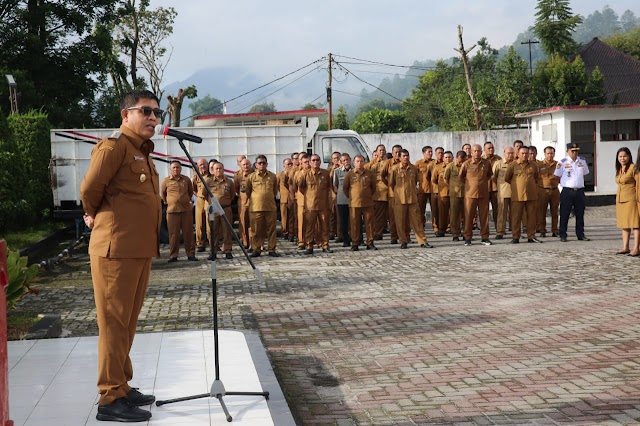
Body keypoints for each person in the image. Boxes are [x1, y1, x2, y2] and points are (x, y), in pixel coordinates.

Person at [80, 90, 161, 422]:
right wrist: (93, 215)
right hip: (115, 250)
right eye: (146, 111)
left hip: (138, 249)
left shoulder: (140, 151)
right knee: (113, 325)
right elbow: (89, 189)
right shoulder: (113, 147)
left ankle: (122, 386)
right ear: (126, 115)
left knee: (126, 324)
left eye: (158, 113)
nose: (154, 118)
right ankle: (109, 397)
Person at [388, 149, 433, 249]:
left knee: (417, 221)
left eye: (407, 155)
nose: (406, 158)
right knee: (400, 222)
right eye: (403, 156)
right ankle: (403, 241)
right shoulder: (395, 169)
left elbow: (417, 182)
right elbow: (391, 184)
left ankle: (423, 241)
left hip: (412, 199)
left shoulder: (413, 168)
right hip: (400, 200)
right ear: (399, 158)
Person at [161, 161, 197, 263]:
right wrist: (169, 202)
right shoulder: (166, 181)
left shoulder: (186, 179)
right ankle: (173, 255)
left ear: (181, 169)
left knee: (188, 233)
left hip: (186, 210)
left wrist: (186, 201)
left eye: (177, 167)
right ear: (170, 169)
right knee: (173, 234)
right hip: (172, 211)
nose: (176, 169)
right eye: (174, 168)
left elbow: (190, 192)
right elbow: (163, 194)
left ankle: (190, 254)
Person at [245, 155, 281, 257]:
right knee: (256, 230)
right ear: (256, 165)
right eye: (259, 163)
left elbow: (274, 191)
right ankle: (256, 249)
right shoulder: (251, 177)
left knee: (271, 230)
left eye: (264, 163)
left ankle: (271, 249)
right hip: (256, 208)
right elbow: (248, 191)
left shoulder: (273, 176)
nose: (262, 165)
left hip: (270, 207)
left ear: (267, 164)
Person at [554, 143, 590, 242]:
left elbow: (585, 173)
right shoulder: (562, 162)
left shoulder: (582, 161)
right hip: (567, 191)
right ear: (568, 151)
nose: (574, 153)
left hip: (579, 191)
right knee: (565, 213)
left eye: (576, 151)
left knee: (580, 214)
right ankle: (563, 234)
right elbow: (557, 176)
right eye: (572, 151)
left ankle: (580, 234)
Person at [505, 146, 541, 244]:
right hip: (518, 195)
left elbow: (536, 178)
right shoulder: (513, 165)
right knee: (516, 217)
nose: (525, 155)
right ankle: (516, 236)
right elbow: (507, 178)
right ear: (518, 154)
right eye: (522, 153)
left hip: (531, 195)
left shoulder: (533, 165)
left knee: (532, 217)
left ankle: (531, 236)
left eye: (526, 153)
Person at [459, 144, 493, 246]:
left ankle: (485, 237)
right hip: (470, 195)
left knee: (484, 217)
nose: (477, 153)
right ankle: (468, 238)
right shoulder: (466, 164)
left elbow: (489, 175)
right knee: (468, 217)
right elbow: (461, 177)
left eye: (479, 151)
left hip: (483, 194)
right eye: (475, 151)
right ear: (471, 152)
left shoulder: (486, 163)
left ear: (482, 152)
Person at [298, 154, 333, 254]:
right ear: (310, 162)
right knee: (310, 226)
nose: (315, 162)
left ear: (320, 161)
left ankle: (325, 245)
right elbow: (301, 188)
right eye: (313, 160)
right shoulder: (306, 174)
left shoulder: (325, 174)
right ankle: (309, 246)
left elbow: (329, 187)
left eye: (317, 160)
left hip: (323, 205)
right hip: (310, 205)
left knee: (325, 226)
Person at [343, 154, 377, 250]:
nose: (359, 163)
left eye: (361, 161)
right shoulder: (350, 174)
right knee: (354, 223)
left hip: (368, 203)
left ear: (364, 162)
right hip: (354, 203)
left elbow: (373, 187)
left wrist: (368, 195)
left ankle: (370, 242)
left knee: (369, 223)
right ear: (354, 163)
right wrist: (352, 197)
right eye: (357, 161)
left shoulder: (369, 174)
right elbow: (345, 188)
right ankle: (355, 243)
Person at [208, 162, 236, 260]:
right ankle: (213, 252)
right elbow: (204, 194)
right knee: (213, 231)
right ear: (213, 171)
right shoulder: (208, 182)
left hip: (225, 209)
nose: (218, 170)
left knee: (227, 231)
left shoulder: (229, 182)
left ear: (223, 169)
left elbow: (232, 195)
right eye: (216, 169)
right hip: (214, 210)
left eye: (220, 168)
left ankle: (228, 251)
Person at [615, 147, 640, 256]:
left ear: (629, 156)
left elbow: (638, 184)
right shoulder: (619, 169)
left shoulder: (634, 168)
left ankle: (636, 248)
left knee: (635, 224)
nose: (622, 158)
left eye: (624, 156)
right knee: (624, 224)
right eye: (620, 156)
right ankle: (625, 246)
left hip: (631, 200)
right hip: (620, 200)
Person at [366, 144, 389, 241]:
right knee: (375, 215)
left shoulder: (388, 162)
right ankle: (376, 232)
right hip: (375, 192)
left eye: (383, 150)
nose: (382, 152)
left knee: (383, 215)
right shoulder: (371, 164)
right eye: (380, 150)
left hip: (386, 191)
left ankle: (380, 232)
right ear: (376, 152)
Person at [537, 146, 560, 237]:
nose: (550, 155)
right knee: (542, 211)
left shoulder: (558, 164)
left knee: (555, 212)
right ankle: (542, 229)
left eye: (551, 153)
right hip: (543, 190)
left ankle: (555, 230)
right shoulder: (539, 165)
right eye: (548, 153)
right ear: (544, 154)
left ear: (554, 154)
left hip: (554, 190)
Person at [382, 144, 403, 244]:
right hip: (393, 194)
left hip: (403, 194)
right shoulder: (388, 163)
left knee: (404, 216)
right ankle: (394, 237)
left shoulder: (405, 163)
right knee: (393, 217)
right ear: (393, 153)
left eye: (400, 152)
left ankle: (404, 236)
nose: (398, 154)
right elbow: (382, 176)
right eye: (396, 152)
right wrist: (389, 185)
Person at [493, 146, 515, 239]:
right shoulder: (498, 164)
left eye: (512, 153)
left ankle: (515, 231)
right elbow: (493, 177)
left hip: (515, 192)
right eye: (508, 153)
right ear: (504, 153)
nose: (510, 155)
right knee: (502, 213)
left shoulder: (516, 164)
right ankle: (500, 231)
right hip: (503, 191)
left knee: (515, 214)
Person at [444, 151, 466, 241]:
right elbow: (445, 179)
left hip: (465, 193)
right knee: (454, 214)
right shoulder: (450, 166)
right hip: (454, 194)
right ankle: (455, 234)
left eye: (463, 160)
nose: (461, 162)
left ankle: (466, 233)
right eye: (460, 160)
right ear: (457, 157)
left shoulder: (466, 165)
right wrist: (452, 187)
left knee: (466, 214)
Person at [432, 151, 453, 237]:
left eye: (449, 157)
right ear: (443, 158)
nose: (448, 159)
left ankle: (453, 229)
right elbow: (433, 180)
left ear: (453, 158)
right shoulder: (438, 168)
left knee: (454, 213)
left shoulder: (456, 167)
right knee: (442, 213)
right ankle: (441, 230)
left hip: (454, 193)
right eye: (446, 157)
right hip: (443, 194)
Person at [333, 153, 352, 247]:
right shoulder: (337, 172)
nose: (346, 162)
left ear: (350, 160)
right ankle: (345, 239)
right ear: (341, 162)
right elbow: (335, 186)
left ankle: (358, 239)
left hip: (354, 199)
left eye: (347, 160)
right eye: (344, 160)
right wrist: (340, 194)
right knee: (343, 221)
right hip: (342, 200)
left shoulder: (354, 171)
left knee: (355, 221)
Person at [482, 141, 502, 229]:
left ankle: (499, 228)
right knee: (484, 210)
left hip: (496, 188)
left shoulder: (498, 159)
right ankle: (485, 228)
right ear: (484, 150)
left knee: (497, 209)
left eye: (492, 148)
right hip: (484, 188)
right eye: (489, 148)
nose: (491, 150)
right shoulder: (481, 160)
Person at [234, 158, 253, 249]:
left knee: (254, 224)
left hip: (254, 203)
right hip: (243, 203)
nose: (246, 166)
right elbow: (236, 189)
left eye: (247, 164)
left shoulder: (255, 174)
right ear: (240, 165)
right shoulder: (238, 176)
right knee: (243, 223)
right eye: (244, 165)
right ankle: (245, 242)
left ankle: (254, 243)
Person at [415, 146, 435, 230]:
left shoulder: (435, 162)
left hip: (433, 189)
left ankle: (436, 227)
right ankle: (421, 226)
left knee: (434, 209)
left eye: (431, 152)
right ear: (424, 153)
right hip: (422, 189)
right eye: (428, 152)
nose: (430, 153)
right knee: (420, 210)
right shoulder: (418, 163)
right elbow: (414, 176)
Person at [193, 157, 210, 252]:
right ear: (198, 167)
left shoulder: (212, 176)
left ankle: (212, 243)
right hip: (200, 200)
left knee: (209, 223)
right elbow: (193, 189)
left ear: (207, 165)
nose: (202, 166)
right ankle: (200, 244)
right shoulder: (196, 177)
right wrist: (199, 196)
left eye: (204, 164)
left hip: (209, 201)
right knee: (199, 223)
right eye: (200, 165)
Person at [277, 158, 294, 241]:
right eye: (288, 164)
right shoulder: (280, 175)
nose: (290, 166)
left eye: (291, 164)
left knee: (291, 217)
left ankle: (291, 233)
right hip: (284, 199)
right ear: (284, 165)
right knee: (284, 217)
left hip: (292, 198)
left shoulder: (295, 174)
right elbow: (276, 186)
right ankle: (284, 232)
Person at [430, 147, 445, 234]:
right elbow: (430, 177)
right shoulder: (431, 165)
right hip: (434, 190)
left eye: (442, 153)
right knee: (435, 210)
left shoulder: (447, 164)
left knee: (443, 210)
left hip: (444, 191)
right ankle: (435, 227)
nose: (441, 155)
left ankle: (445, 227)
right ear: (435, 154)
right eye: (439, 153)